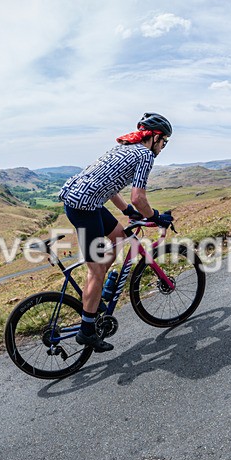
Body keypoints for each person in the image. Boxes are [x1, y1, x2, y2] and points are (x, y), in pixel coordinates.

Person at [58, 112, 174, 352]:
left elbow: (108, 185)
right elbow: (139, 196)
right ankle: (87, 331)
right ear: (154, 137)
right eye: (165, 141)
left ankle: (104, 289)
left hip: (85, 201)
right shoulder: (144, 154)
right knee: (96, 270)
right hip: (84, 207)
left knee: (121, 238)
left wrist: (128, 211)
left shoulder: (122, 148)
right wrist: (154, 217)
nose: (163, 146)